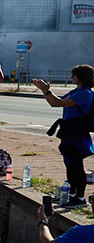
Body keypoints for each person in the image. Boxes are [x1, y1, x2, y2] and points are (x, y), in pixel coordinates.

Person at [33, 65, 94, 209]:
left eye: (74, 75)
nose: (72, 77)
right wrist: (46, 91)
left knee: (77, 166)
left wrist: (45, 90)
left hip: (77, 134)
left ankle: (80, 198)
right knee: (70, 165)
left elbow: (58, 103)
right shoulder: (77, 91)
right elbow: (55, 102)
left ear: (81, 77)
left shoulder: (84, 93)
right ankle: (72, 195)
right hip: (70, 132)